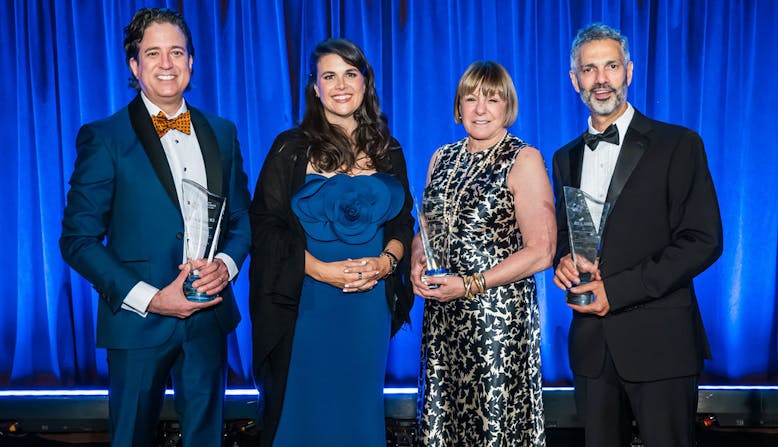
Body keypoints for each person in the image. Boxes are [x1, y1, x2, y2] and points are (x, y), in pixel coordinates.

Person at [59, 8, 251, 446]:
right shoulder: (104, 137)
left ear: (191, 61)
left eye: (176, 52)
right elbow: (77, 240)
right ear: (134, 65)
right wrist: (151, 298)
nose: (167, 63)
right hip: (136, 322)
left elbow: (242, 218)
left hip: (208, 318)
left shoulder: (222, 132)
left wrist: (225, 266)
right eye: (153, 53)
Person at [552, 23, 723, 447]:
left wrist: (617, 291)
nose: (601, 79)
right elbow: (568, 233)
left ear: (628, 71)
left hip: (661, 343)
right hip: (592, 349)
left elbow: (703, 240)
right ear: (574, 80)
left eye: (611, 66)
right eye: (589, 69)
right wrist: (563, 259)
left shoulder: (678, 144)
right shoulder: (564, 157)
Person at [249, 38, 415, 446]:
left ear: (365, 82)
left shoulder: (388, 149)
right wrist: (322, 271)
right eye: (329, 76)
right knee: (304, 416)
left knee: (357, 415)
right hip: (306, 302)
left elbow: (402, 222)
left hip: (369, 307)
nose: (341, 85)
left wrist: (386, 264)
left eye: (350, 74)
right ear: (315, 87)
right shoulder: (290, 148)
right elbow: (265, 227)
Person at [411, 61, 556, 446]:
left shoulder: (523, 158)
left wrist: (470, 284)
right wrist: (416, 258)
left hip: (497, 323)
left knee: (493, 426)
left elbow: (542, 251)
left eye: (492, 99)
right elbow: (428, 226)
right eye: (471, 98)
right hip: (444, 319)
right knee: (445, 422)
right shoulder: (441, 157)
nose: (480, 109)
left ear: (507, 106)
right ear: (458, 106)